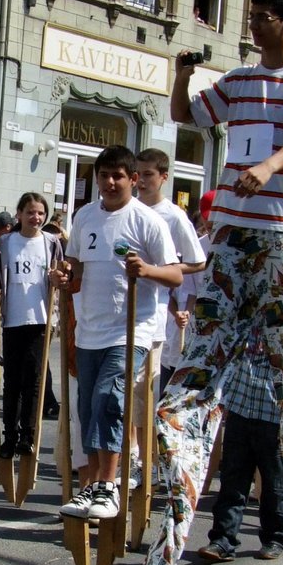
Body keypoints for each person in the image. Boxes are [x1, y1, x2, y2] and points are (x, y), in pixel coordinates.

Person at [141, 0, 283, 565]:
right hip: (229, 242)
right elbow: (186, 115)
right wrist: (182, 74)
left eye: (261, 17)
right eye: (249, 16)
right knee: (186, 394)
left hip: (282, 245)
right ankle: (163, 557)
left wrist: (269, 167)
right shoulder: (240, 79)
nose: (252, 25)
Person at [50, 145, 181, 522]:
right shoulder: (85, 216)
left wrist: (147, 271)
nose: (109, 182)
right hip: (89, 330)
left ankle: (108, 486)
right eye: (104, 176)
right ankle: (92, 486)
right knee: (87, 409)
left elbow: (174, 274)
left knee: (109, 399)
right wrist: (63, 275)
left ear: (133, 179)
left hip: (131, 330)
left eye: (117, 176)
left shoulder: (147, 221)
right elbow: (75, 267)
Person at [133, 149, 206, 474]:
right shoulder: (128, 208)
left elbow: (197, 261)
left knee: (146, 392)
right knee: (126, 393)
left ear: (163, 177)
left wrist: (162, 269)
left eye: (148, 174)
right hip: (121, 311)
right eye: (138, 174)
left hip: (155, 313)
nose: (141, 181)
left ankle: (148, 461)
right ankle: (131, 456)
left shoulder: (173, 216)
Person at [198, 324, 283, 564]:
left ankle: (275, 537)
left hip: (273, 412)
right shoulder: (245, 321)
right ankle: (223, 539)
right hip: (241, 406)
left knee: (274, 482)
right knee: (232, 478)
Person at [0, 192, 65, 458]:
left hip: (40, 318)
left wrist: (58, 278)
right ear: (19, 214)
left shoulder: (51, 242)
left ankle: (28, 435)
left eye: (41, 213)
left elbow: (61, 274)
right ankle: (9, 435)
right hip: (13, 319)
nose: (36, 217)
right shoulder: (6, 242)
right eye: (31, 212)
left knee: (33, 380)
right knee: (11, 381)